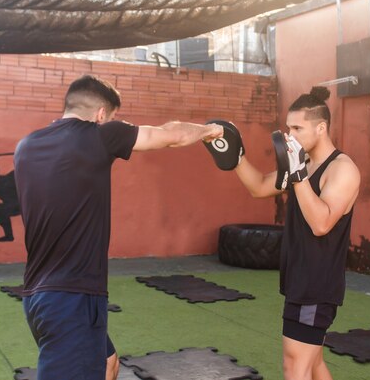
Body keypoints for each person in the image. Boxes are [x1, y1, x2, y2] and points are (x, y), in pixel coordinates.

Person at [13, 75, 223, 380]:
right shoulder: (100, 135)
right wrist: (210, 130)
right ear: (101, 115)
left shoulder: (26, 146)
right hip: (73, 298)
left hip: (37, 297)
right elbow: (171, 134)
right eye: (111, 117)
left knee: (109, 363)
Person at [231, 86, 360, 380]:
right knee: (313, 364)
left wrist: (298, 174)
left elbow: (321, 223)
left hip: (317, 283)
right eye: (288, 127)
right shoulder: (302, 165)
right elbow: (259, 186)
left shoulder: (342, 169)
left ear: (321, 127)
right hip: (298, 278)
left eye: (298, 128)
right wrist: (234, 156)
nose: (290, 135)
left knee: (295, 365)